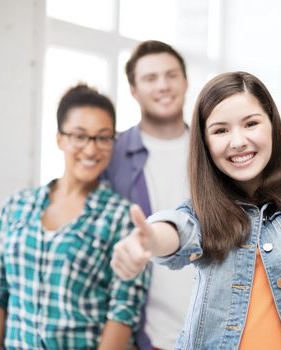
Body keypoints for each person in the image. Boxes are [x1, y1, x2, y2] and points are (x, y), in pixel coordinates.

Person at [110, 71, 281, 350]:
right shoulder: (202, 215)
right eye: (221, 130)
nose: (238, 141)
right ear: (205, 144)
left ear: (271, 125)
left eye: (251, 124)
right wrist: (149, 240)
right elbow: (177, 230)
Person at [0, 84, 148, 349]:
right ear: (60, 138)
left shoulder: (122, 217)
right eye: (79, 136)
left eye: (103, 138)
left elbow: (123, 312)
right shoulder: (16, 206)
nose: (91, 150)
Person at [103, 40, 193, 349]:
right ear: (133, 90)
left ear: (185, 81)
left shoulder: (213, 150)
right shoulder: (112, 155)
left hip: (215, 328)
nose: (163, 85)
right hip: (145, 334)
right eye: (150, 78)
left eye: (171, 75)